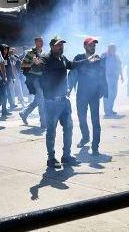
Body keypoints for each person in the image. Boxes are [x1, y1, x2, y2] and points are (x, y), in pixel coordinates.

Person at [39, 37, 77, 168]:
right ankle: (51, 158)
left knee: (69, 128)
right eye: (57, 45)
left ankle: (66, 156)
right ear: (51, 46)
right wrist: (36, 63)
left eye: (62, 45)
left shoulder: (63, 58)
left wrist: (87, 61)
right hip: (51, 103)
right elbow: (38, 64)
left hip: (64, 102)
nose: (60, 47)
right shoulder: (46, 58)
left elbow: (73, 65)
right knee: (51, 131)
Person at [69, 37, 108, 156]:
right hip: (81, 94)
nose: (93, 47)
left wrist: (103, 91)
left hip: (94, 95)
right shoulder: (79, 58)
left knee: (95, 121)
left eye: (94, 46)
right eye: (91, 45)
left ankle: (95, 146)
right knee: (81, 118)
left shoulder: (99, 59)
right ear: (85, 46)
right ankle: (85, 137)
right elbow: (73, 73)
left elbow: (102, 75)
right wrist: (68, 88)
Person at [19, 37, 46, 128]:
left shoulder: (44, 52)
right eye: (39, 41)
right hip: (35, 79)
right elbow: (23, 65)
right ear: (35, 42)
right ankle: (43, 122)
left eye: (42, 41)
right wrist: (33, 63)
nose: (41, 42)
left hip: (43, 80)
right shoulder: (30, 53)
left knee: (38, 99)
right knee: (41, 100)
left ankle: (24, 113)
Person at [102, 44, 123, 117]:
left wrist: (122, 76)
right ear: (109, 49)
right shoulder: (104, 55)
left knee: (114, 94)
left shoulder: (116, 56)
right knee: (107, 95)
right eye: (112, 49)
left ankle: (110, 109)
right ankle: (107, 111)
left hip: (115, 78)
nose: (114, 50)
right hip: (107, 78)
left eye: (114, 49)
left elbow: (119, 66)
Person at [0, 44, 13, 116]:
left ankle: (4, 110)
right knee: (2, 95)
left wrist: (12, 77)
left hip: (7, 78)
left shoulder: (7, 57)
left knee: (4, 95)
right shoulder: (0, 57)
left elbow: (9, 68)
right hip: (1, 79)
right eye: (4, 49)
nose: (5, 51)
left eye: (6, 49)